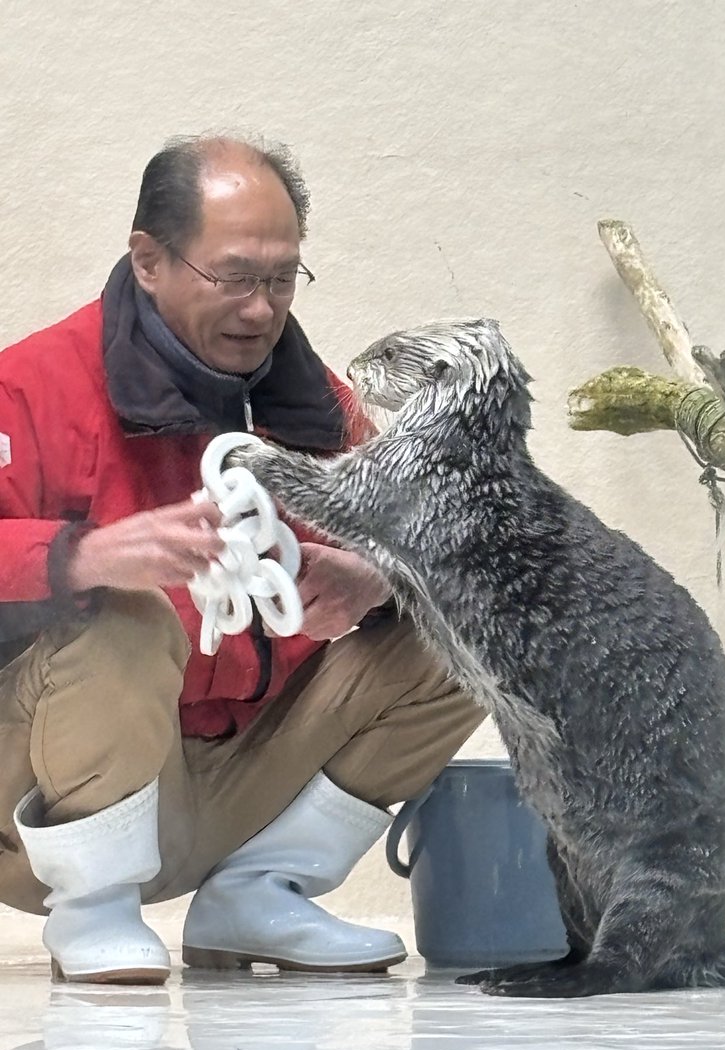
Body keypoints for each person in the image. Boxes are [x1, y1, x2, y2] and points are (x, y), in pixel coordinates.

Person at [0, 133, 484, 985]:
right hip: (32, 806)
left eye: (281, 278)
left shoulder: (316, 404)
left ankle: (262, 890)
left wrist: (375, 578)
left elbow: (444, 540)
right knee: (128, 613)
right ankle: (95, 904)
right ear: (149, 260)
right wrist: (86, 555)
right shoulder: (30, 384)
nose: (262, 309)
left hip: (237, 778)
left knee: (467, 620)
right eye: (234, 277)